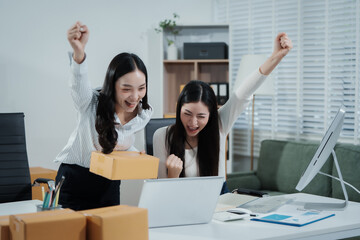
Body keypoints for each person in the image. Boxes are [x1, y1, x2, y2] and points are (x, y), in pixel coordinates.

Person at [153, 33, 292, 193]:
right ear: (179, 109)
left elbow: (243, 94)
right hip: (180, 197)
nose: (193, 123)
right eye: (187, 113)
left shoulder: (219, 124)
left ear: (211, 115)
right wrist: (173, 174)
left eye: (201, 116)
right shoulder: (162, 136)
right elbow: (163, 195)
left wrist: (276, 57)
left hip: (217, 198)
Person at [54, 21, 152, 210]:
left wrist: (133, 152)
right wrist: (79, 54)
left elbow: (117, 142)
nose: (135, 96)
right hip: (75, 184)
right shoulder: (90, 103)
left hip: (109, 185)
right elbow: (78, 83)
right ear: (112, 85)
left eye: (141, 88)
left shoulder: (142, 114)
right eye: (126, 89)